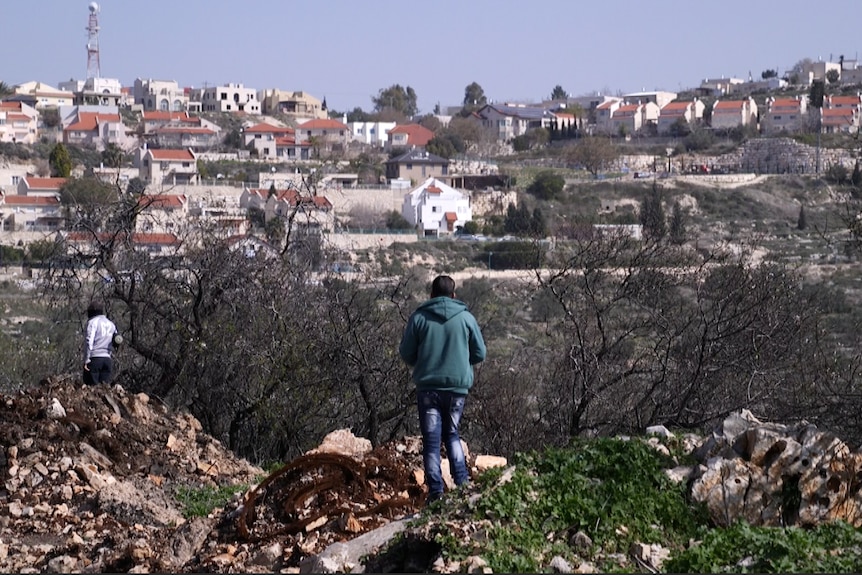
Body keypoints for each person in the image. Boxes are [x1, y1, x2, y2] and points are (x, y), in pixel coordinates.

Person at [399, 275, 486, 506]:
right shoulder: (466, 318)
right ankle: (463, 484)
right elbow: (480, 353)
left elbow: (406, 354)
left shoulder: (419, 318)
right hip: (457, 389)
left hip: (428, 389)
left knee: (431, 441)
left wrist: (425, 359)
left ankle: (436, 492)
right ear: (453, 295)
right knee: (452, 434)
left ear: (431, 295)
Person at [83, 299, 118, 386]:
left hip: (95, 359)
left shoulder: (92, 322)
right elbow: (116, 339)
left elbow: (89, 341)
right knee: (104, 389)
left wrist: (87, 359)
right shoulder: (111, 324)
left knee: (92, 389)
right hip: (107, 360)